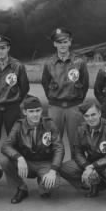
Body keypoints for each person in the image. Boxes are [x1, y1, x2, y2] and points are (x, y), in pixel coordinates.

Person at [0, 96, 65, 204]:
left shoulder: (49, 124)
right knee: (4, 161)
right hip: (26, 162)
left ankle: (43, 182)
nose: (35, 114)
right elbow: (6, 146)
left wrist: (53, 170)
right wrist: (19, 158)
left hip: (45, 162)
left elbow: (59, 148)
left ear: (41, 111)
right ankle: (21, 188)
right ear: (25, 112)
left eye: (37, 111)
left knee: (54, 184)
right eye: (31, 111)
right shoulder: (19, 125)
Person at [60, 101, 106, 204]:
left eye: (93, 114)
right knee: (65, 168)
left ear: (99, 113)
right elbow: (77, 152)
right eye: (87, 116)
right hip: (92, 162)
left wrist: (93, 166)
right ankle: (93, 184)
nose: (90, 118)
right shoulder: (81, 129)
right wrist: (86, 166)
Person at [0, 34, 30, 164]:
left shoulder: (18, 66)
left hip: (11, 108)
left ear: (8, 48)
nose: (0, 51)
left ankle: (15, 174)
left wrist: (16, 100)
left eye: (3, 48)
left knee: (15, 141)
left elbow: (24, 87)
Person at [41, 27, 89, 158]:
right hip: (55, 107)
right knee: (54, 142)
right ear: (54, 44)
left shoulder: (79, 61)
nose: (62, 45)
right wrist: (53, 98)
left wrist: (77, 99)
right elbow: (45, 82)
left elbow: (85, 83)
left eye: (65, 42)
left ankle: (74, 171)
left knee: (76, 142)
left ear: (70, 42)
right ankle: (54, 171)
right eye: (59, 42)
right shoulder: (49, 63)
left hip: (74, 107)